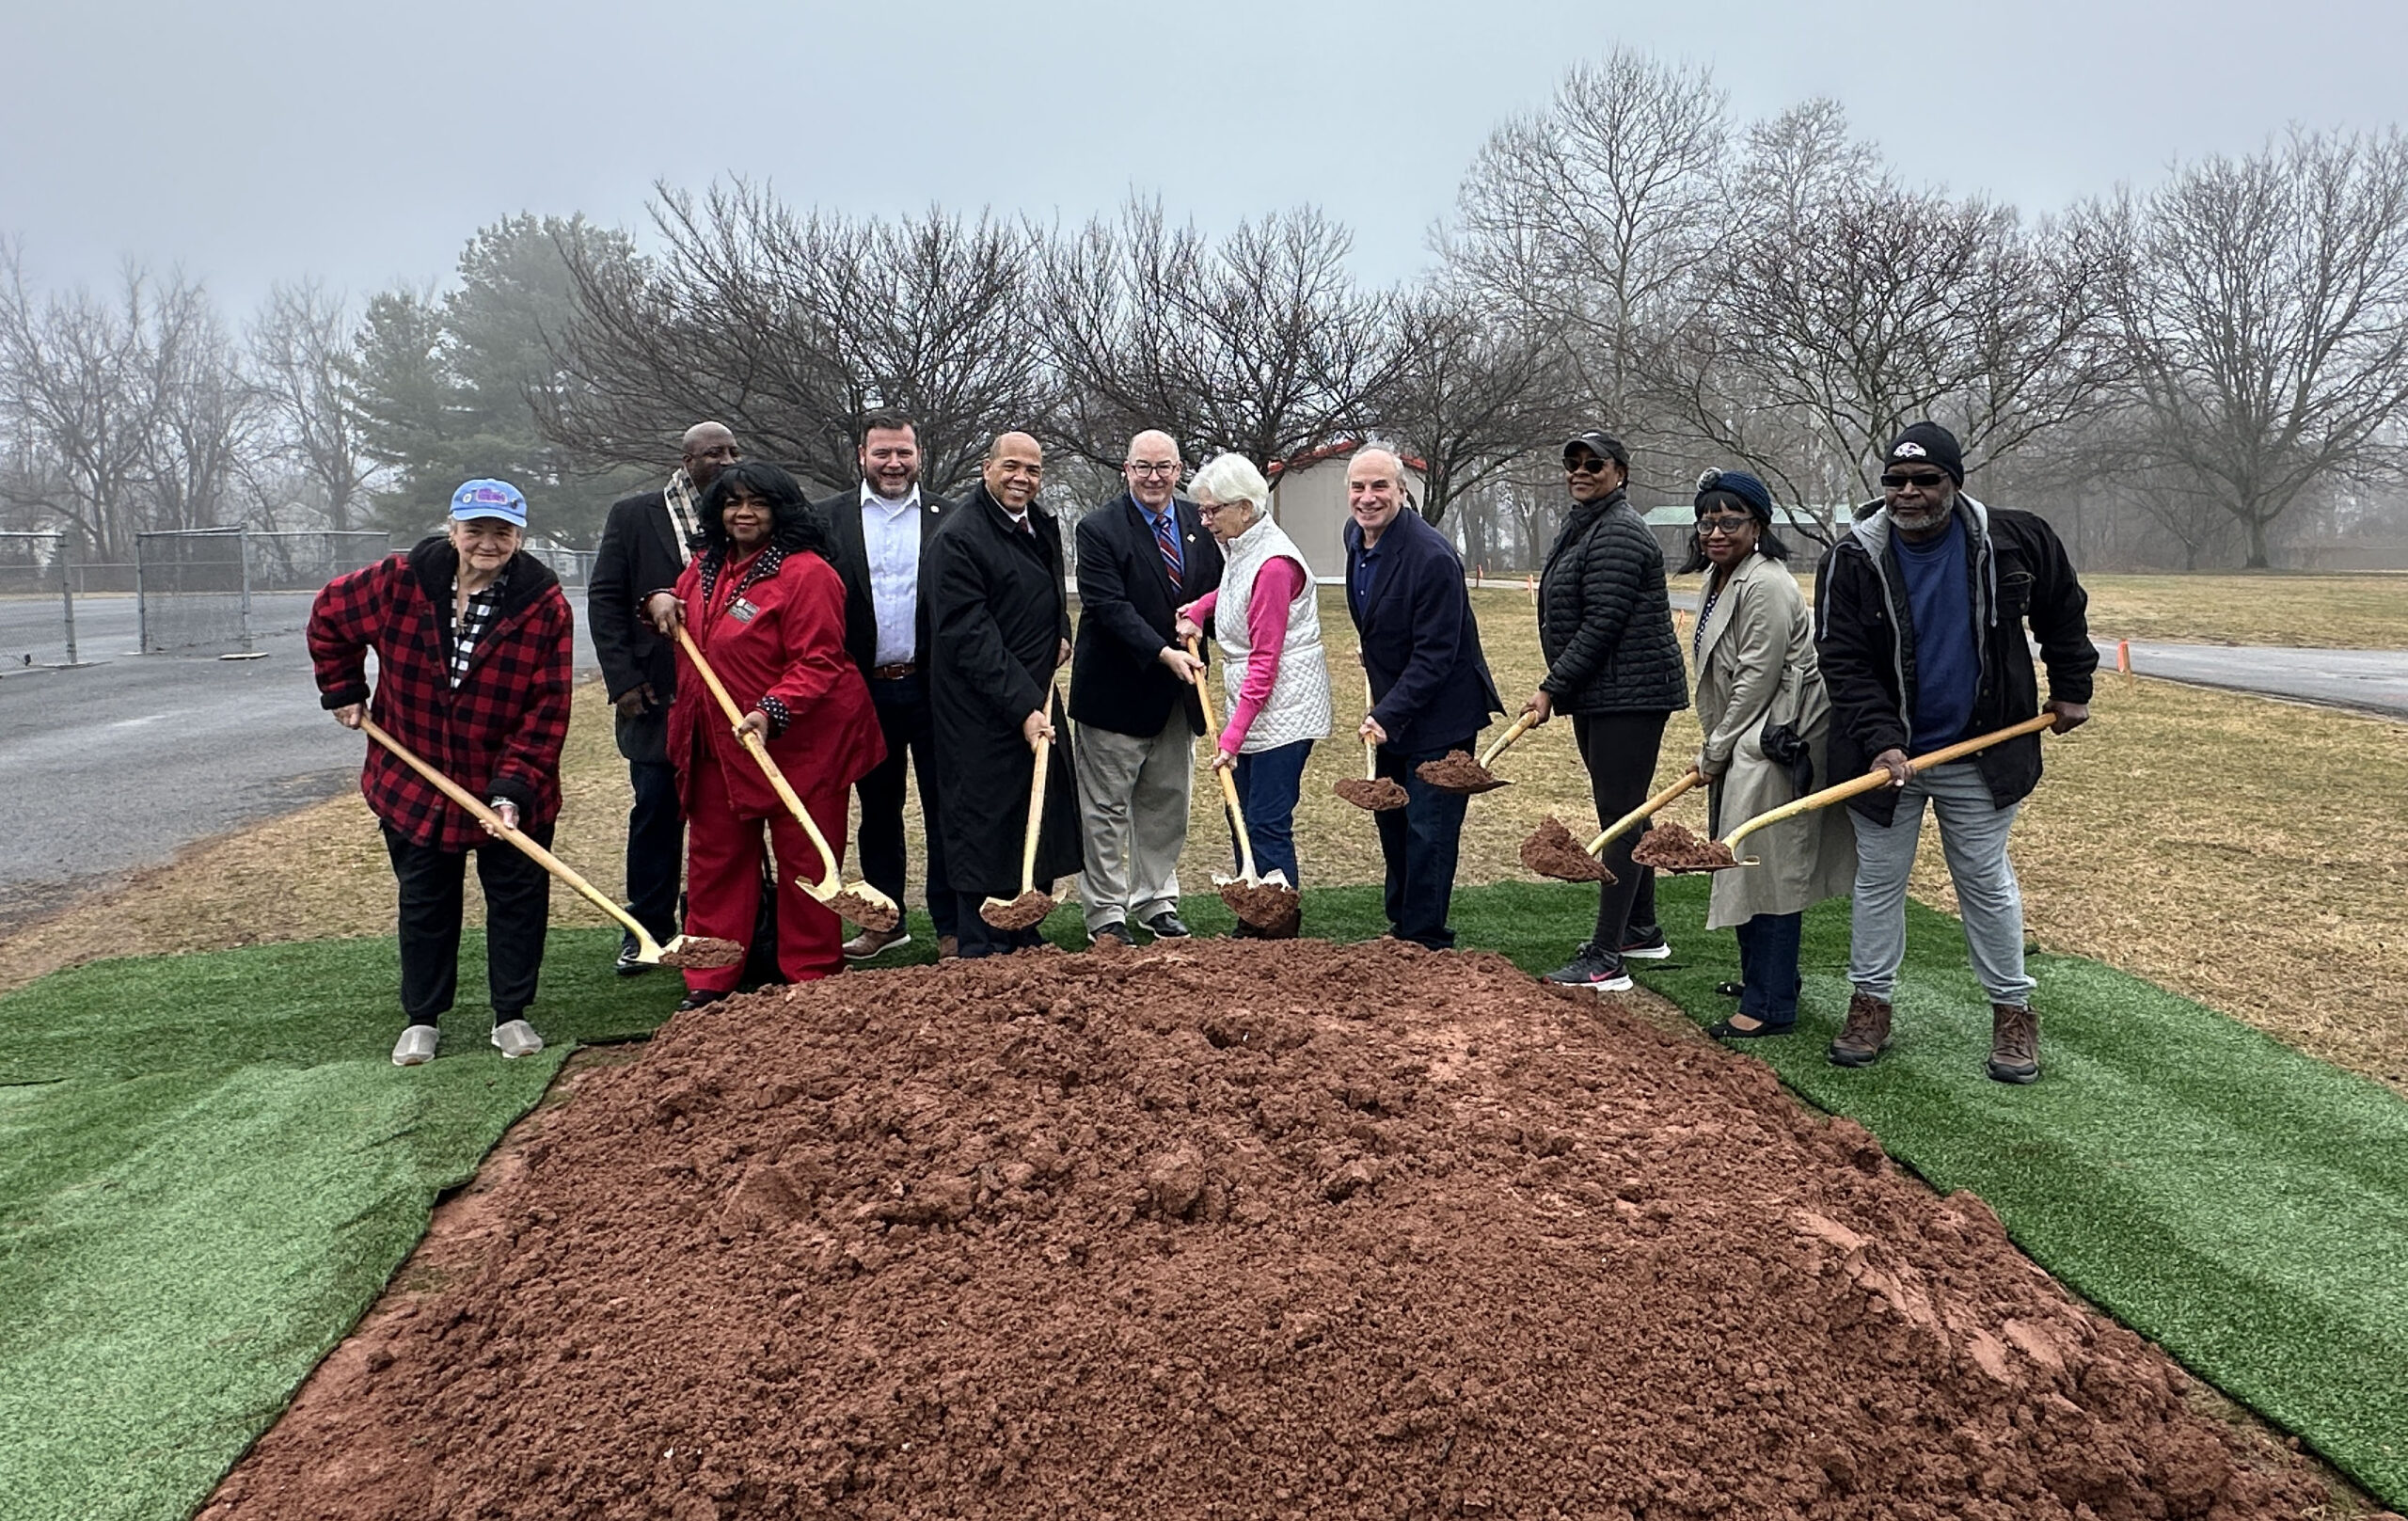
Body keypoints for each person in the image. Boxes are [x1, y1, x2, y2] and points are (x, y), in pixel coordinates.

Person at [1818, 420, 2095, 1084]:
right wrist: (1883, 741)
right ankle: (1870, 1005)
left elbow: (2063, 608)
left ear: (1955, 483)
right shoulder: (1851, 556)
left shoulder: (2014, 538)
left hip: (1980, 748)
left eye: (1925, 480)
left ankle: (2013, 1012)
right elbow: (1842, 658)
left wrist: (2073, 687)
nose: (1909, 493)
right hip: (1883, 758)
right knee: (1879, 882)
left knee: (1984, 879)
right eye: (1896, 481)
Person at [308, 479, 574, 1068]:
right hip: (413, 777)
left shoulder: (542, 603)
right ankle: (422, 1019)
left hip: (510, 781)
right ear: (452, 530)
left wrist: (512, 789)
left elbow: (548, 707)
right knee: (425, 900)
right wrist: (344, 690)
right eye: (474, 529)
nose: (487, 542)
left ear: (519, 537)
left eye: (501, 532)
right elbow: (328, 616)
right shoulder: (397, 581)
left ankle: (511, 1014)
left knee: (517, 900)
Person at [644, 462, 885, 1008]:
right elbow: (677, 612)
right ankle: (710, 977)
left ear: (781, 510)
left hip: (802, 745)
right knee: (715, 860)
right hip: (716, 744)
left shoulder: (807, 574)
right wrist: (657, 601)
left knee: (808, 861)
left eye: (758, 503)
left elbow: (820, 661)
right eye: (733, 504)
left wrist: (771, 711)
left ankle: (810, 975)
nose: (744, 513)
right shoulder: (705, 567)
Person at [1680, 468, 1855, 1037]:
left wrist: (1716, 750)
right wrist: (1722, 747)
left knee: (1768, 867)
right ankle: (1764, 977)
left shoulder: (1768, 583)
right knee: (1744, 860)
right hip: (1747, 736)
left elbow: (1758, 677)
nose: (1715, 531)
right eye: (1707, 521)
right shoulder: (1722, 579)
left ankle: (1771, 1004)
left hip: (1780, 738)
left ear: (1758, 526)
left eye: (1730, 521)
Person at [1521, 431, 1690, 991]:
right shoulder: (1588, 521)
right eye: (1573, 462)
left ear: (1621, 472)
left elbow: (1603, 625)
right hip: (1605, 692)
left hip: (1632, 695)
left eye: (1595, 463)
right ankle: (1641, 928)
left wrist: (1551, 687)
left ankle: (1606, 957)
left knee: (1618, 818)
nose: (1581, 471)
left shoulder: (1619, 531)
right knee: (1624, 810)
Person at [589, 421, 739, 976]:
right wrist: (623, 681)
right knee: (656, 810)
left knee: (725, 814)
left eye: (732, 451)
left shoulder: (746, 514)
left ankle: (714, 921)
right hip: (655, 693)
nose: (725, 460)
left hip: (726, 692)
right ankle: (647, 928)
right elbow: (605, 599)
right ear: (686, 459)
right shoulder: (635, 515)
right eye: (712, 453)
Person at [924, 432, 1082, 958]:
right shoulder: (960, 537)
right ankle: (982, 940)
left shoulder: (1035, 524)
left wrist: (1062, 629)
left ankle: (1023, 926)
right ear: (987, 468)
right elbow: (969, 636)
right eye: (1011, 467)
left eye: (1033, 470)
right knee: (983, 819)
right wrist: (1021, 708)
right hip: (981, 708)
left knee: (1029, 815)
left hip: (1032, 693)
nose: (1023, 479)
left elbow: (1048, 589)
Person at [1069, 430, 1225, 946]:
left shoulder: (1201, 525)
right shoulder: (1098, 529)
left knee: (1166, 806)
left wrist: (1203, 630)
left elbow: (1216, 596)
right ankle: (1106, 913)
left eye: (1164, 467)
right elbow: (1107, 607)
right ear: (1126, 470)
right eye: (1143, 467)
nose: (1154, 477)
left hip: (1179, 700)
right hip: (1115, 694)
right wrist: (1163, 652)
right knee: (1106, 811)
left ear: (1179, 470)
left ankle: (1156, 900)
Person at [1343, 445, 1501, 950]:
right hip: (1395, 705)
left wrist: (1388, 713)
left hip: (1442, 713)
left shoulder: (1432, 557)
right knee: (1391, 818)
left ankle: (1426, 938)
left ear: (1402, 491)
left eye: (1380, 487)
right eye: (1359, 487)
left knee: (1427, 828)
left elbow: (1437, 653)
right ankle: (1402, 928)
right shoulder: (1356, 537)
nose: (1368, 498)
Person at [816, 410, 958, 961]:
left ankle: (950, 922)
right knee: (878, 810)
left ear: (919, 454)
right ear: (862, 456)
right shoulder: (825, 519)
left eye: (903, 453)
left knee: (946, 807)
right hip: (862, 689)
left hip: (933, 687)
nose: (894, 464)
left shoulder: (951, 515)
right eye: (882, 454)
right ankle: (885, 919)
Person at [1175, 452, 1331, 938]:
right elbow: (1234, 592)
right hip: (1255, 704)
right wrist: (1200, 607)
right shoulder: (1245, 547)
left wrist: (1231, 738)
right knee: (1237, 809)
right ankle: (1253, 915)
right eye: (1202, 510)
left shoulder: (1275, 564)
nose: (1205, 520)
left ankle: (1279, 927)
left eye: (1212, 511)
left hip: (1284, 709)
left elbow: (1265, 663)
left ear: (1244, 507)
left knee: (1265, 819)